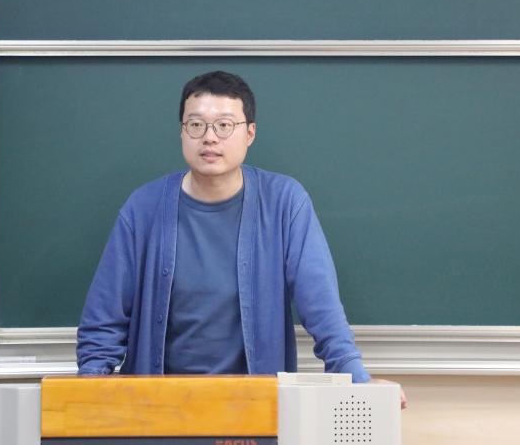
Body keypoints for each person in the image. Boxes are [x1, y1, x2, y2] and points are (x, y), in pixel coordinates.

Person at [76, 70, 406, 408]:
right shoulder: (143, 208)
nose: (209, 138)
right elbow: (103, 319)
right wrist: (91, 395)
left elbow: (321, 305)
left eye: (224, 125)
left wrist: (356, 379)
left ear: (250, 133)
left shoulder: (284, 202)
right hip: (158, 408)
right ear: (182, 132)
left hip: (253, 408)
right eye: (196, 125)